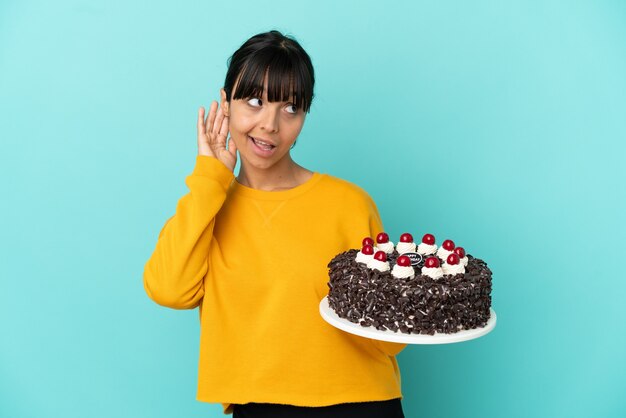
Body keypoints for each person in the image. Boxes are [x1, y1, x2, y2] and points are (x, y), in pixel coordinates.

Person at [143, 30, 407, 417]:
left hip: (362, 402)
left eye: (290, 109)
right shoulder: (207, 207)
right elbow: (169, 290)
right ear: (225, 103)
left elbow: (389, 336)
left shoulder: (350, 204)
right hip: (259, 406)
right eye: (254, 101)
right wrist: (210, 178)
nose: (270, 124)